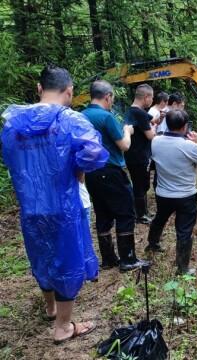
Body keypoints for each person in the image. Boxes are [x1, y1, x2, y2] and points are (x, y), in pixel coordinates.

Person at [1, 65, 109, 343]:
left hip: (31, 206)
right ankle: (63, 326)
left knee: (41, 256)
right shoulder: (71, 120)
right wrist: (77, 166)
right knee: (67, 262)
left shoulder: (12, 124)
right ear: (70, 91)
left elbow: (11, 159)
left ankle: (50, 308)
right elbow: (95, 152)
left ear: (39, 89)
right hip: (63, 205)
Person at [83, 80, 149, 272]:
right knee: (125, 213)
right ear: (108, 96)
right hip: (111, 170)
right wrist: (127, 131)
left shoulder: (81, 116)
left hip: (90, 172)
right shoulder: (106, 117)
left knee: (102, 214)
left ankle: (108, 258)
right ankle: (128, 259)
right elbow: (124, 145)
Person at [146, 110, 197, 275]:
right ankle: (182, 268)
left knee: (159, 219)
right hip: (185, 196)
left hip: (163, 194)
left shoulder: (156, 141)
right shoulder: (189, 146)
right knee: (184, 231)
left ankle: (152, 243)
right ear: (185, 127)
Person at [125, 84, 157, 224]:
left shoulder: (130, 111)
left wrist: (153, 122)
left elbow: (147, 121)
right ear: (146, 97)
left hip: (131, 155)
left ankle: (142, 211)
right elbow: (151, 135)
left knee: (139, 184)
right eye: (152, 97)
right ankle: (141, 215)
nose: (152, 101)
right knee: (141, 185)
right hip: (140, 156)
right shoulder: (141, 114)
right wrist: (154, 128)